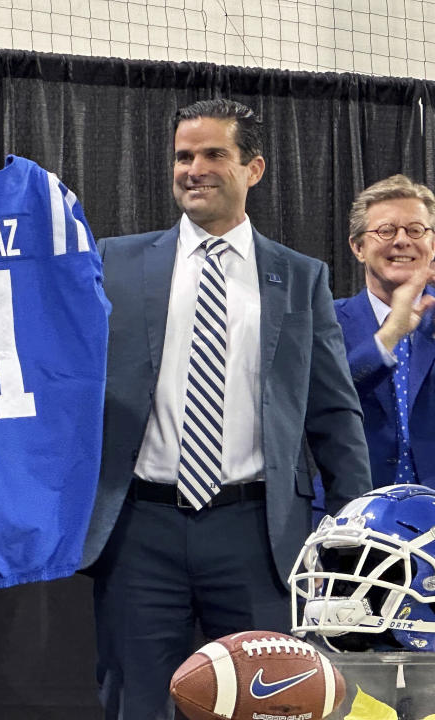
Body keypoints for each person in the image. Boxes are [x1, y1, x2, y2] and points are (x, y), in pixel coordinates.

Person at [82, 98, 372, 719]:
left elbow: (334, 414)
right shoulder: (115, 263)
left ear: (255, 169)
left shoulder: (301, 277)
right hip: (140, 530)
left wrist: (352, 540)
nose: (195, 169)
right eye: (184, 156)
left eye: (215, 154)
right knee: (137, 704)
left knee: (269, 706)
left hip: (258, 534)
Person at [334, 174, 435, 487]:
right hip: (354, 514)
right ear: (358, 247)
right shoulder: (327, 320)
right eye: (386, 230)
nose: (402, 240)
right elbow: (327, 397)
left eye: (415, 230)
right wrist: (391, 333)